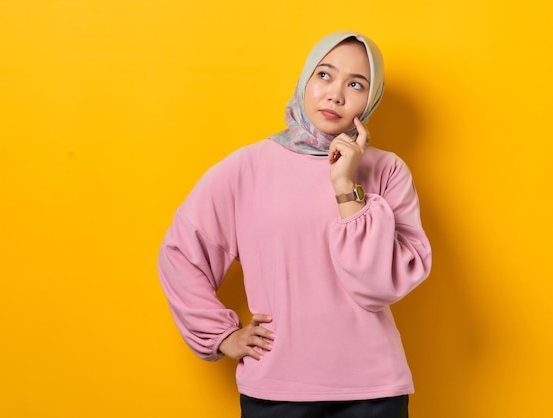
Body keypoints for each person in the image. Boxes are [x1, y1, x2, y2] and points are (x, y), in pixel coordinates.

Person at [157, 30, 432, 418]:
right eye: (325, 75)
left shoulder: (387, 171)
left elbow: (376, 287)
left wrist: (345, 185)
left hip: (373, 391)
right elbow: (182, 252)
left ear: (371, 100)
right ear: (305, 79)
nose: (335, 94)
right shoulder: (247, 168)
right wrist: (221, 335)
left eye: (356, 84)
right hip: (276, 390)